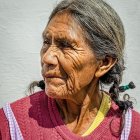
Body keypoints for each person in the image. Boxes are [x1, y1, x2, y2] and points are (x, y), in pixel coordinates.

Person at [0, 0, 140, 139]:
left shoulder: (131, 131)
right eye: (46, 42)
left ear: (104, 63)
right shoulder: (11, 125)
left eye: (65, 45)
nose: (47, 58)